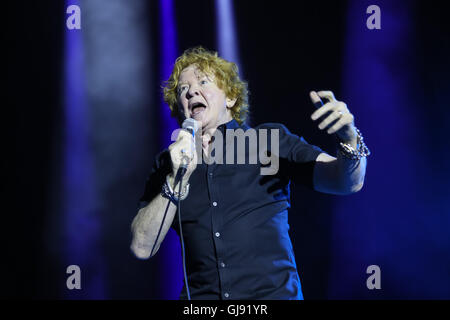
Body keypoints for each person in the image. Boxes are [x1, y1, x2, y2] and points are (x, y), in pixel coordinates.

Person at [130, 47, 369, 300]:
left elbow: (343, 182)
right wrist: (174, 181)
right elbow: (142, 246)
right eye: (182, 89)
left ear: (230, 98)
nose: (191, 91)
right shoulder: (169, 163)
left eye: (203, 81)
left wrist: (349, 138)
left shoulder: (267, 142)